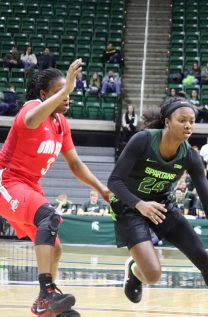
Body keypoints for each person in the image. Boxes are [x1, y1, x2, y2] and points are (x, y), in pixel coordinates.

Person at [107, 97, 208, 317]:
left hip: (162, 206)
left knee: (201, 255)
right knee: (152, 275)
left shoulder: (190, 155)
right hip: (129, 206)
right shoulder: (142, 140)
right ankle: (135, 269)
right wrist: (140, 204)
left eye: (192, 121)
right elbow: (114, 182)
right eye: (182, 120)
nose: (188, 125)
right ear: (167, 121)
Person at [0, 59, 111, 317]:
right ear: (43, 95)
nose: (68, 97)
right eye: (61, 92)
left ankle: (49, 307)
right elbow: (29, 119)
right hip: (6, 181)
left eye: (69, 92)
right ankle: (46, 295)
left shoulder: (61, 124)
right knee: (49, 215)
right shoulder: (32, 108)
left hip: (29, 186)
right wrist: (66, 88)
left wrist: (102, 189)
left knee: (56, 248)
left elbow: (75, 164)